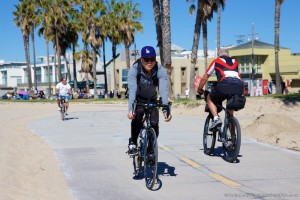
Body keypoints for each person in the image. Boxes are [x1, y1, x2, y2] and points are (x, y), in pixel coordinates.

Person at [127, 45, 172, 155]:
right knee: (137, 117)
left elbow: (163, 89)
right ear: (141, 59)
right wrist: (130, 109)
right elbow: (132, 90)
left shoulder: (160, 70)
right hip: (138, 100)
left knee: (154, 124)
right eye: (146, 59)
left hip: (152, 100)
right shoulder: (134, 70)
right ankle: (132, 142)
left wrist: (166, 108)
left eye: (152, 59)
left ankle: (151, 148)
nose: (149, 62)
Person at [197, 48, 243, 131]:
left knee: (210, 98)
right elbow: (239, 76)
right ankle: (233, 138)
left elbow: (205, 77)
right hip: (238, 86)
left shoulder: (216, 61)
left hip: (224, 85)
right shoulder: (235, 61)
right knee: (230, 113)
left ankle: (216, 118)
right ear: (227, 54)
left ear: (218, 55)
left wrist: (200, 88)